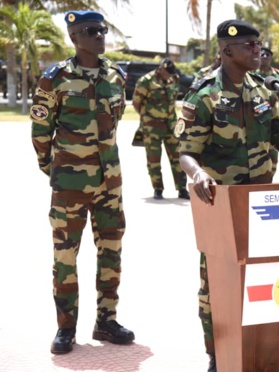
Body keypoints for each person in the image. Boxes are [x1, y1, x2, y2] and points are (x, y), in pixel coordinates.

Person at [175, 20, 279, 372]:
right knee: (215, 288)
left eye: (258, 45)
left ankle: (257, 351)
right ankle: (217, 356)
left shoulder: (266, 91)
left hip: (264, 205)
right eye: (249, 45)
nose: (257, 51)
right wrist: (198, 172)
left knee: (261, 282)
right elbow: (186, 151)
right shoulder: (204, 94)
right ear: (227, 50)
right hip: (221, 205)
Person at [30, 10, 135, 355]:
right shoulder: (55, 78)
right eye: (92, 31)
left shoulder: (116, 77)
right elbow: (41, 131)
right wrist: (56, 169)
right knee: (65, 256)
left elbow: (115, 122)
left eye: (102, 30)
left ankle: (106, 321)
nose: (100, 36)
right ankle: (66, 327)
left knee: (111, 252)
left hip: (110, 183)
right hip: (70, 184)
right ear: (74, 37)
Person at [132, 57, 188, 200]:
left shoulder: (174, 79)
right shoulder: (146, 81)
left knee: (178, 158)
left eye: (171, 73)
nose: (169, 75)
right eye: (167, 73)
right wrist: (148, 118)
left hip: (171, 125)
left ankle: (182, 189)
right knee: (154, 160)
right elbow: (136, 103)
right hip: (152, 127)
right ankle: (158, 189)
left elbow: (173, 99)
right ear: (161, 68)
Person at [254, 46, 279, 174]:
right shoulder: (252, 74)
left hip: (273, 117)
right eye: (262, 54)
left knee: (273, 157)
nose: (265, 57)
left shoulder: (276, 75)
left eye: (268, 55)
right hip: (256, 118)